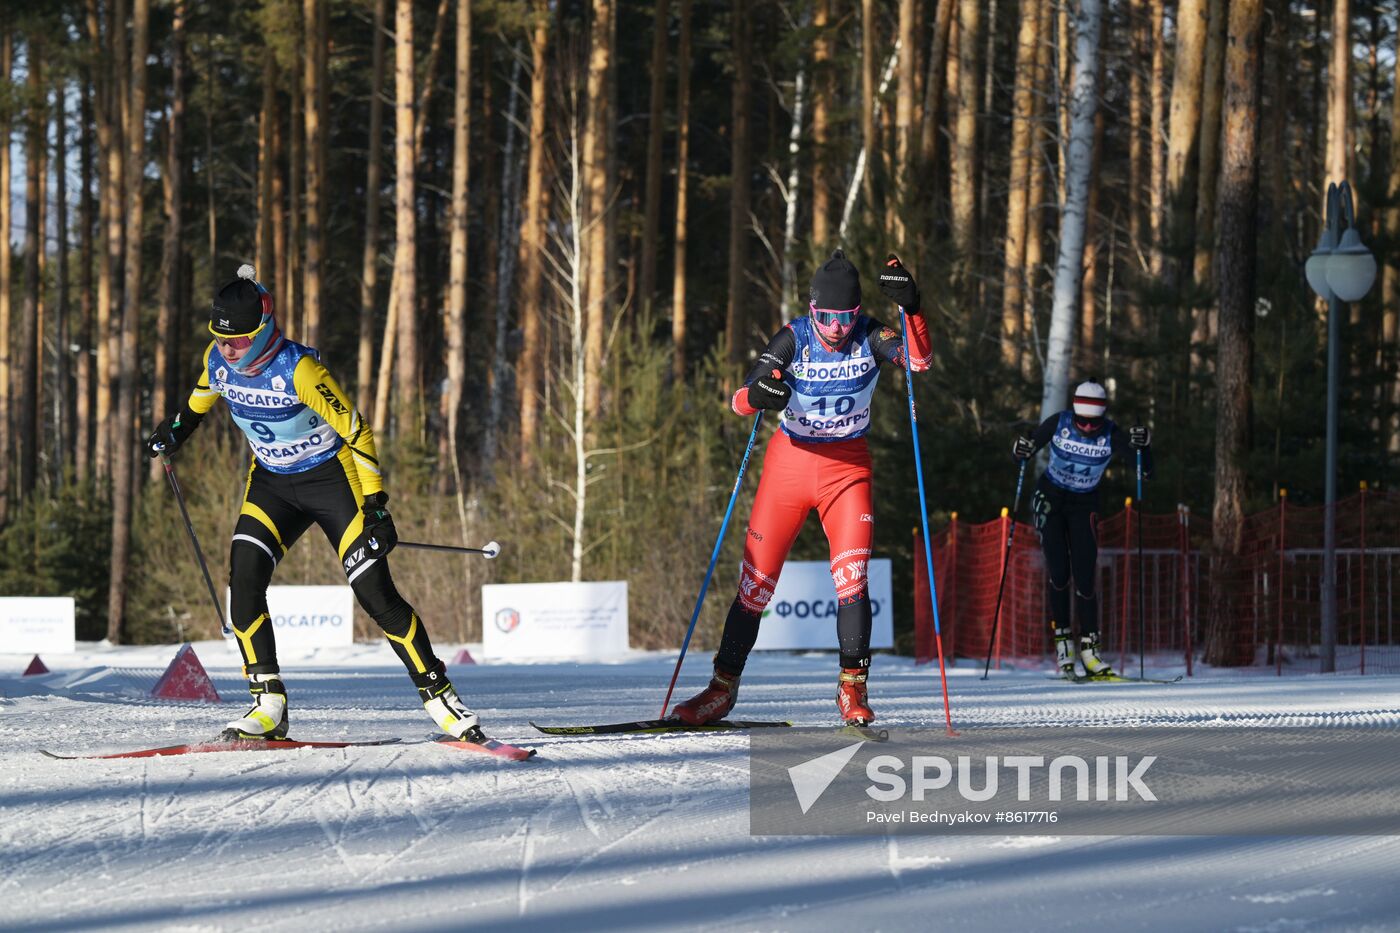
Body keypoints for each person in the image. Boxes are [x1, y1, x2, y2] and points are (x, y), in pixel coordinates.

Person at [146, 265, 483, 742]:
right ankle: (268, 703)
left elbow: (356, 429)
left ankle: (439, 695)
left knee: (374, 592)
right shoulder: (218, 361)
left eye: (238, 340)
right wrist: (176, 428)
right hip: (272, 483)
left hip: (332, 480)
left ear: (262, 332)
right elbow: (202, 395)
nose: (228, 350)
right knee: (243, 578)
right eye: (221, 340)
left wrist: (377, 507)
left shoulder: (300, 370)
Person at [672, 250, 932, 726]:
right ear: (813, 311)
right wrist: (759, 395)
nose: (835, 328)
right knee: (755, 587)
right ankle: (720, 689)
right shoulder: (795, 338)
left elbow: (919, 362)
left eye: (845, 317)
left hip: (847, 470)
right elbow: (740, 400)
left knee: (853, 580)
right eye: (826, 317)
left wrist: (912, 309)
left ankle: (852, 688)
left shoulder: (872, 334)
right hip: (789, 469)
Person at [1011, 380, 1153, 679]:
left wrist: (1144, 447)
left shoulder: (1112, 433)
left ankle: (1090, 651)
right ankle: (1064, 649)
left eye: (1094, 422)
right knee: (1059, 573)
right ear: (1074, 414)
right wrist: (1020, 449)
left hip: (1084, 505)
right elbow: (1025, 450)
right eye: (1083, 421)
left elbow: (1145, 471)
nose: (1088, 428)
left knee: (1085, 577)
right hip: (1050, 500)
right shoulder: (1059, 422)